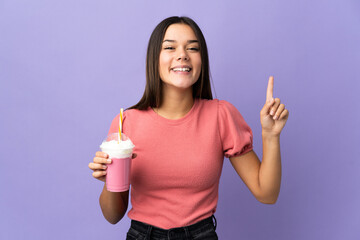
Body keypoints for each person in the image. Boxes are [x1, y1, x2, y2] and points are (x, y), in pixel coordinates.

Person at [88, 16, 289, 240]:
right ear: (154, 58)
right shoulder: (125, 122)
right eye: (170, 47)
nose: (182, 54)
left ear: (201, 60)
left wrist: (270, 136)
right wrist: (110, 181)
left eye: (192, 48)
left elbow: (267, 193)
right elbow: (113, 215)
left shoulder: (221, 115)